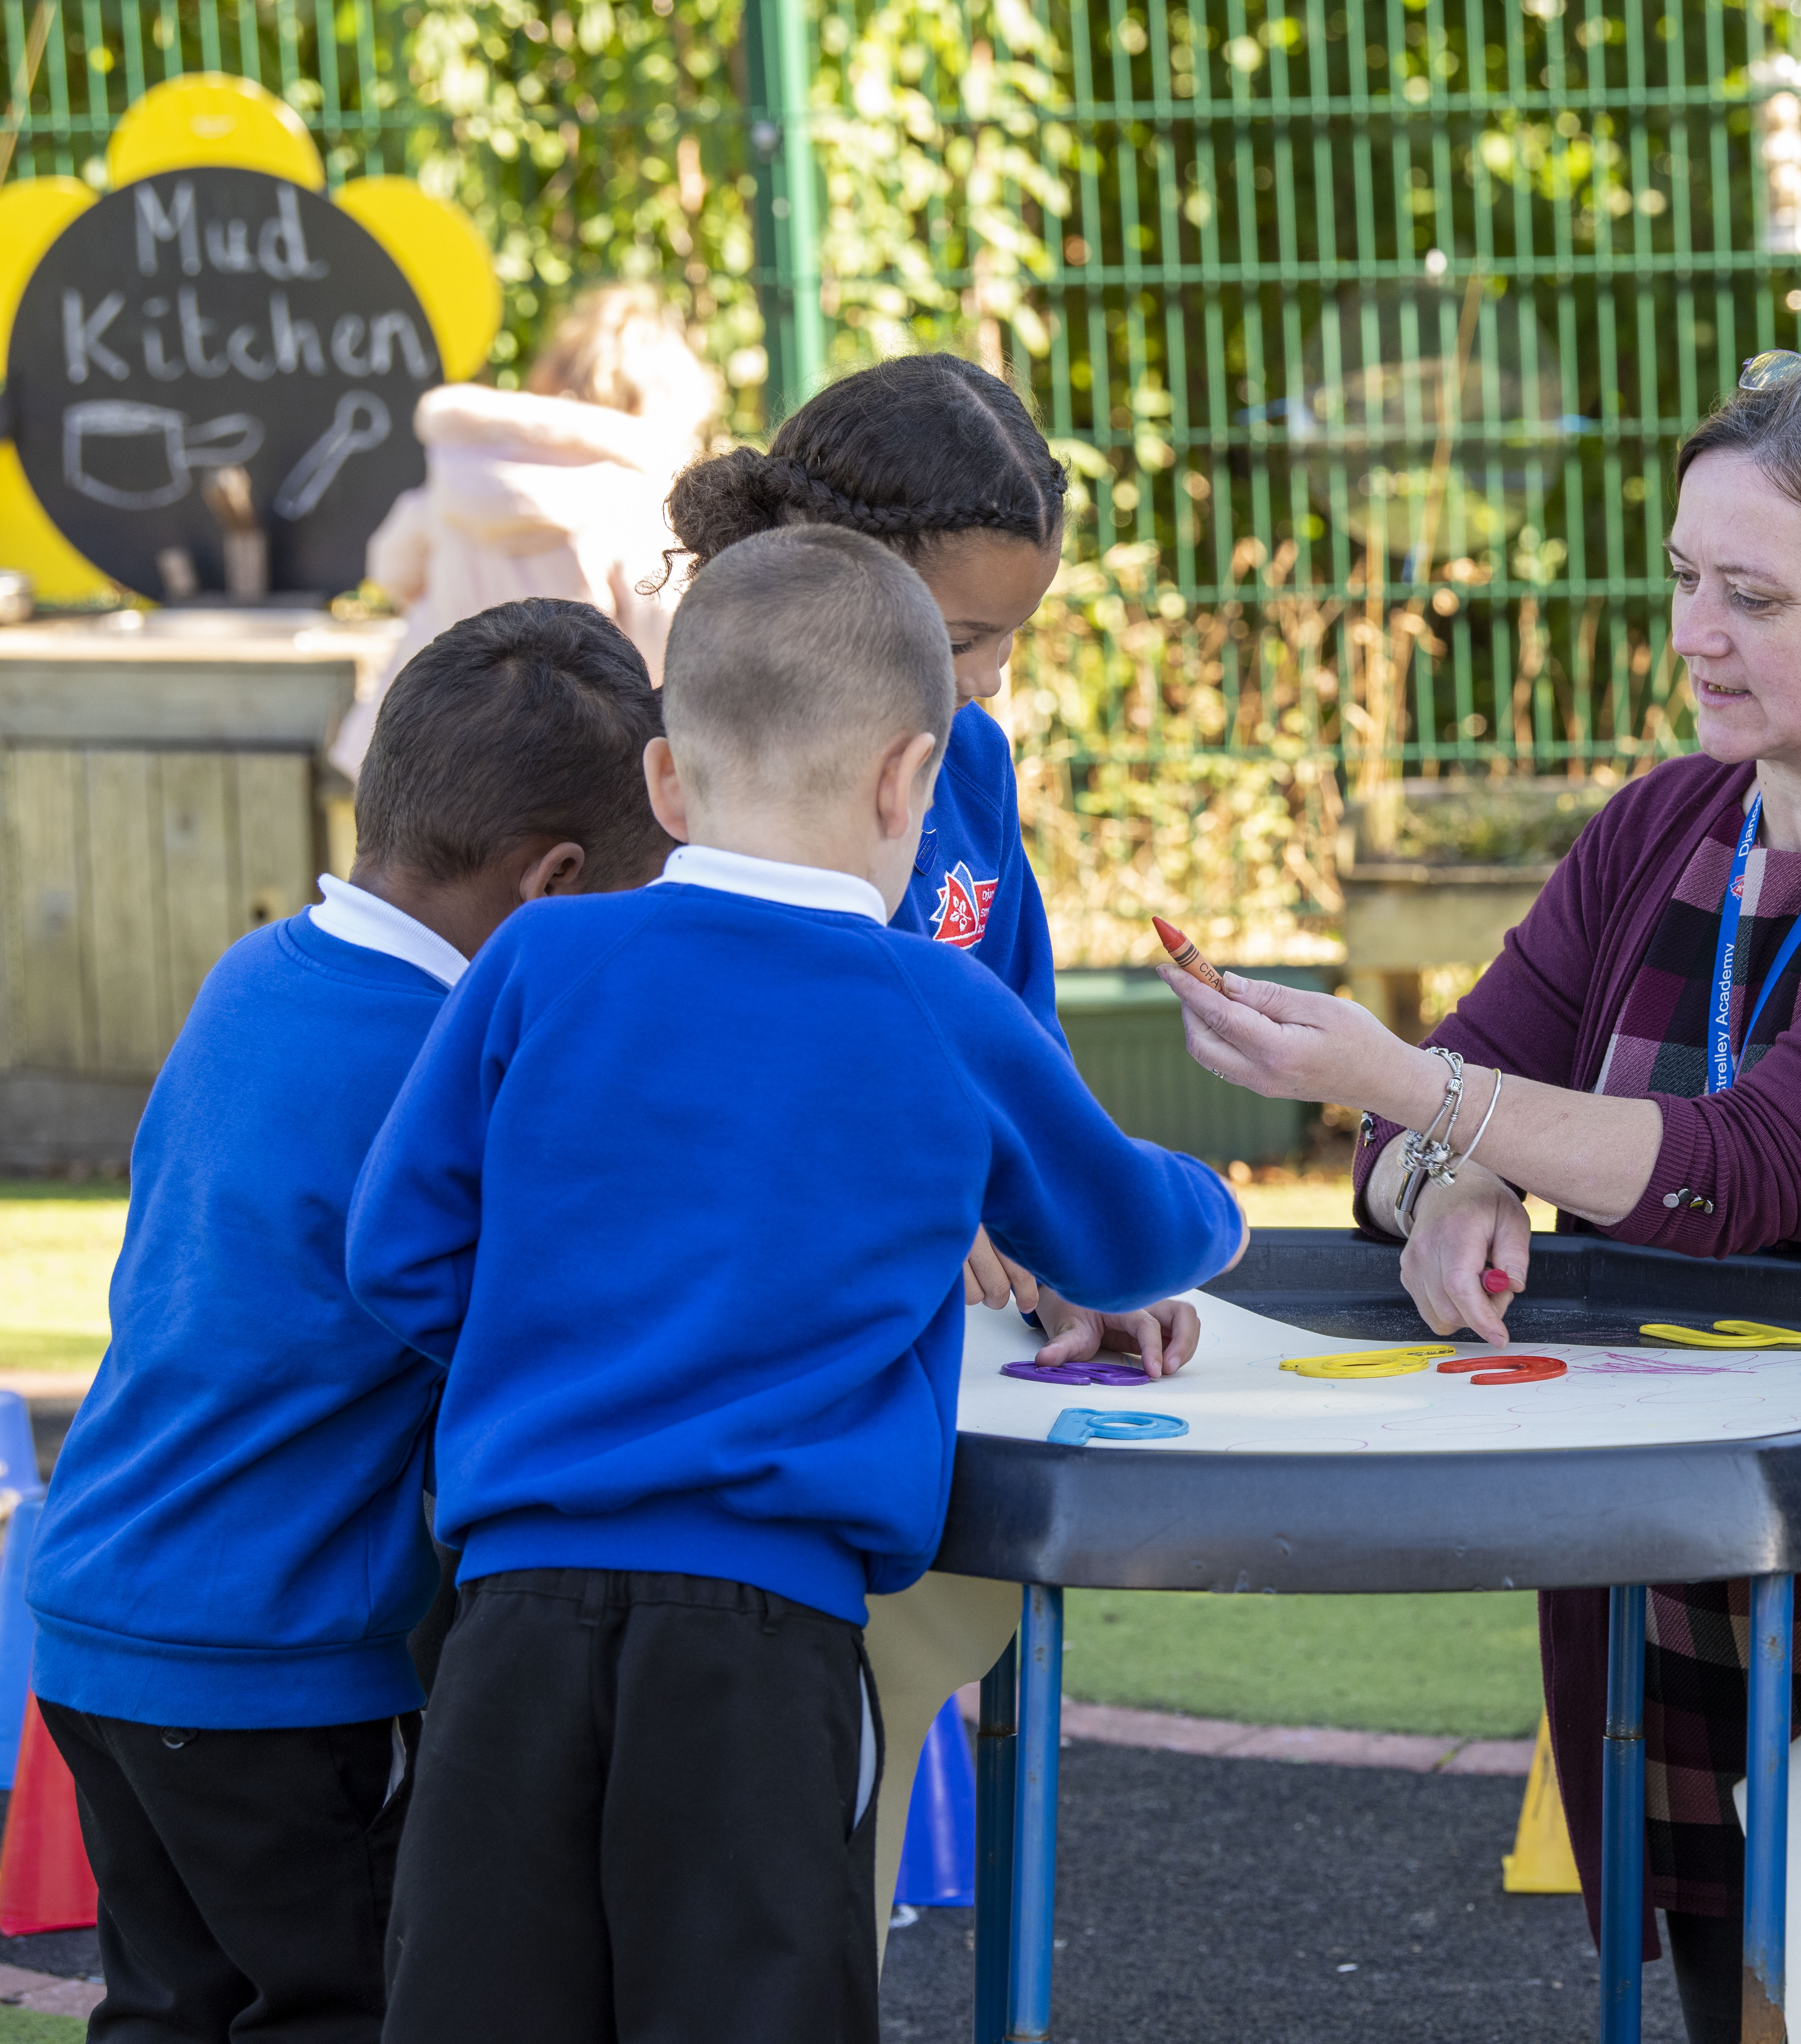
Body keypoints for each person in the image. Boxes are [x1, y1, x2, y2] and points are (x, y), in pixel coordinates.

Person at [1159, 344, 1801, 2039]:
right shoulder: (1659, 825)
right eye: (1686, 579)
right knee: (1705, 1994)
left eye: (1751, 595)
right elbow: (1424, 1141)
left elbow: (1745, 1171)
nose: (1692, 632)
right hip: (1654, 1546)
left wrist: (1409, 1087)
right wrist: (1449, 1173)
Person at [347, 526, 1246, 2044]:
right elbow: (1124, 1238)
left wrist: (545, 1364)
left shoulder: (539, 963)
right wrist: (1219, 1203)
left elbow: (398, 1252)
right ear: (913, 780)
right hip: (762, 1637)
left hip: (510, 1619)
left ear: (665, 784)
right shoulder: (939, 1003)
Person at [26, 598, 672, 2044]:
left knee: (167, 2001)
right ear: (555, 888)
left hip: (103, 1613)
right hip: (276, 1655)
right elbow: (531, 1330)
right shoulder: (445, 1063)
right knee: (344, 2006)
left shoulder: (256, 974)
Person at [661, 351, 1202, 1927]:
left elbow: (1011, 1053)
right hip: (749, 1421)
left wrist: (1059, 1250)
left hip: (922, 1378)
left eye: (1010, 642)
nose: (988, 687)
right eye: (963, 642)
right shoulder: (706, 762)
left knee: (835, 1848)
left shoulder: (966, 759)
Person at [339, 284, 722, 777]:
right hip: (561, 769)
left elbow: (388, 570)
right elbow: (671, 647)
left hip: (420, 752)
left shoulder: (466, 474)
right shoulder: (640, 503)